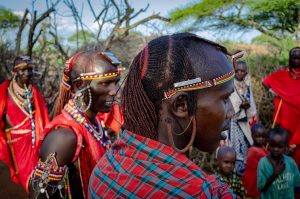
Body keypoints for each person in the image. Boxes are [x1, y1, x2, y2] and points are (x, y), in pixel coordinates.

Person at [88, 33, 245, 198]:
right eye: (225, 99)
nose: (231, 112)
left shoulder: (104, 171)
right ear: (181, 105)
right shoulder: (200, 193)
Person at [29, 51, 124, 198]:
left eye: (117, 81)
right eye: (105, 83)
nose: (116, 92)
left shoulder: (94, 123)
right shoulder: (64, 137)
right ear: (79, 86)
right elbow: (38, 195)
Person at [0, 55, 49, 191]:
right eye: (22, 70)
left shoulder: (34, 92)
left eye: (29, 69)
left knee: (38, 178)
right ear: (14, 71)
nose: (27, 73)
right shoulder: (4, 91)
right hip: (16, 144)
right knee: (24, 180)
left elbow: (43, 119)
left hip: (36, 143)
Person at [263, 47, 300, 167]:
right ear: (290, 58)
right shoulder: (283, 74)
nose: (296, 61)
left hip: (298, 123)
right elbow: (266, 82)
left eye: (299, 58)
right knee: (282, 153)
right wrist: (271, 91)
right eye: (294, 58)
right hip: (285, 122)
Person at [228, 60, 257, 176]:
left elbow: (252, 109)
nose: (239, 73)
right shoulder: (229, 85)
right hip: (231, 125)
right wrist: (240, 106)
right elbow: (227, 105)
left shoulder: (247, 86)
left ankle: (241, 181)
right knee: (231, 151)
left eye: (242, 71)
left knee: (244, 151)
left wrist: (247, 107)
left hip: (244, 125)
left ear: (246, 72)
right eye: (237, 70)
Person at [258, 126, 300, 198]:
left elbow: (297, 186)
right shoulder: (263, 163)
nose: (276, 149)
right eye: (272, 145)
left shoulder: (291, 162)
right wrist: (275, 174)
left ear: (286, 147)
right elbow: (261, 188)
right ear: (268, 144)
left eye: (280, 146)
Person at [242, 123, 268, 198]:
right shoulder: (253, 151)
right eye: (258, 136)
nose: (261, 139)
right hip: (253, 182)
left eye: (263, 137)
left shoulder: (262, 148)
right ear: (252, 136)